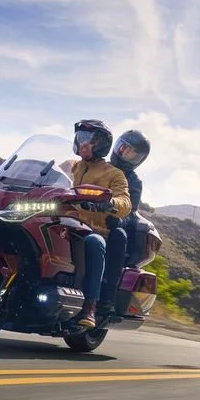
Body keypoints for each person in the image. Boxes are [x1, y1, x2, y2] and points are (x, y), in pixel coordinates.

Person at [66, 119, 132, 329]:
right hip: (60, 222)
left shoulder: (114, 174)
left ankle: (89, 306)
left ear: (102, 144)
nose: (84, 143)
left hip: (91, 229)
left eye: (90, 140)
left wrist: (110, 203)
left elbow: (125, 202)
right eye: (81, 138)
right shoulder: (70, 166)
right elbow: (46, 179)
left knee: (95, 244)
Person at [98, 129, 151, 312]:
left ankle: (107, 297)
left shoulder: (134, 182)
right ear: (117, 146)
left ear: (139, 160)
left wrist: (117, 220)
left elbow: (130, 210)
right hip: (85, 216)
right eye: (124, 149)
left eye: (132, 155)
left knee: (119, 235)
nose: (126, 155)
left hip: (111, 223)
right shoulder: (97, 166)